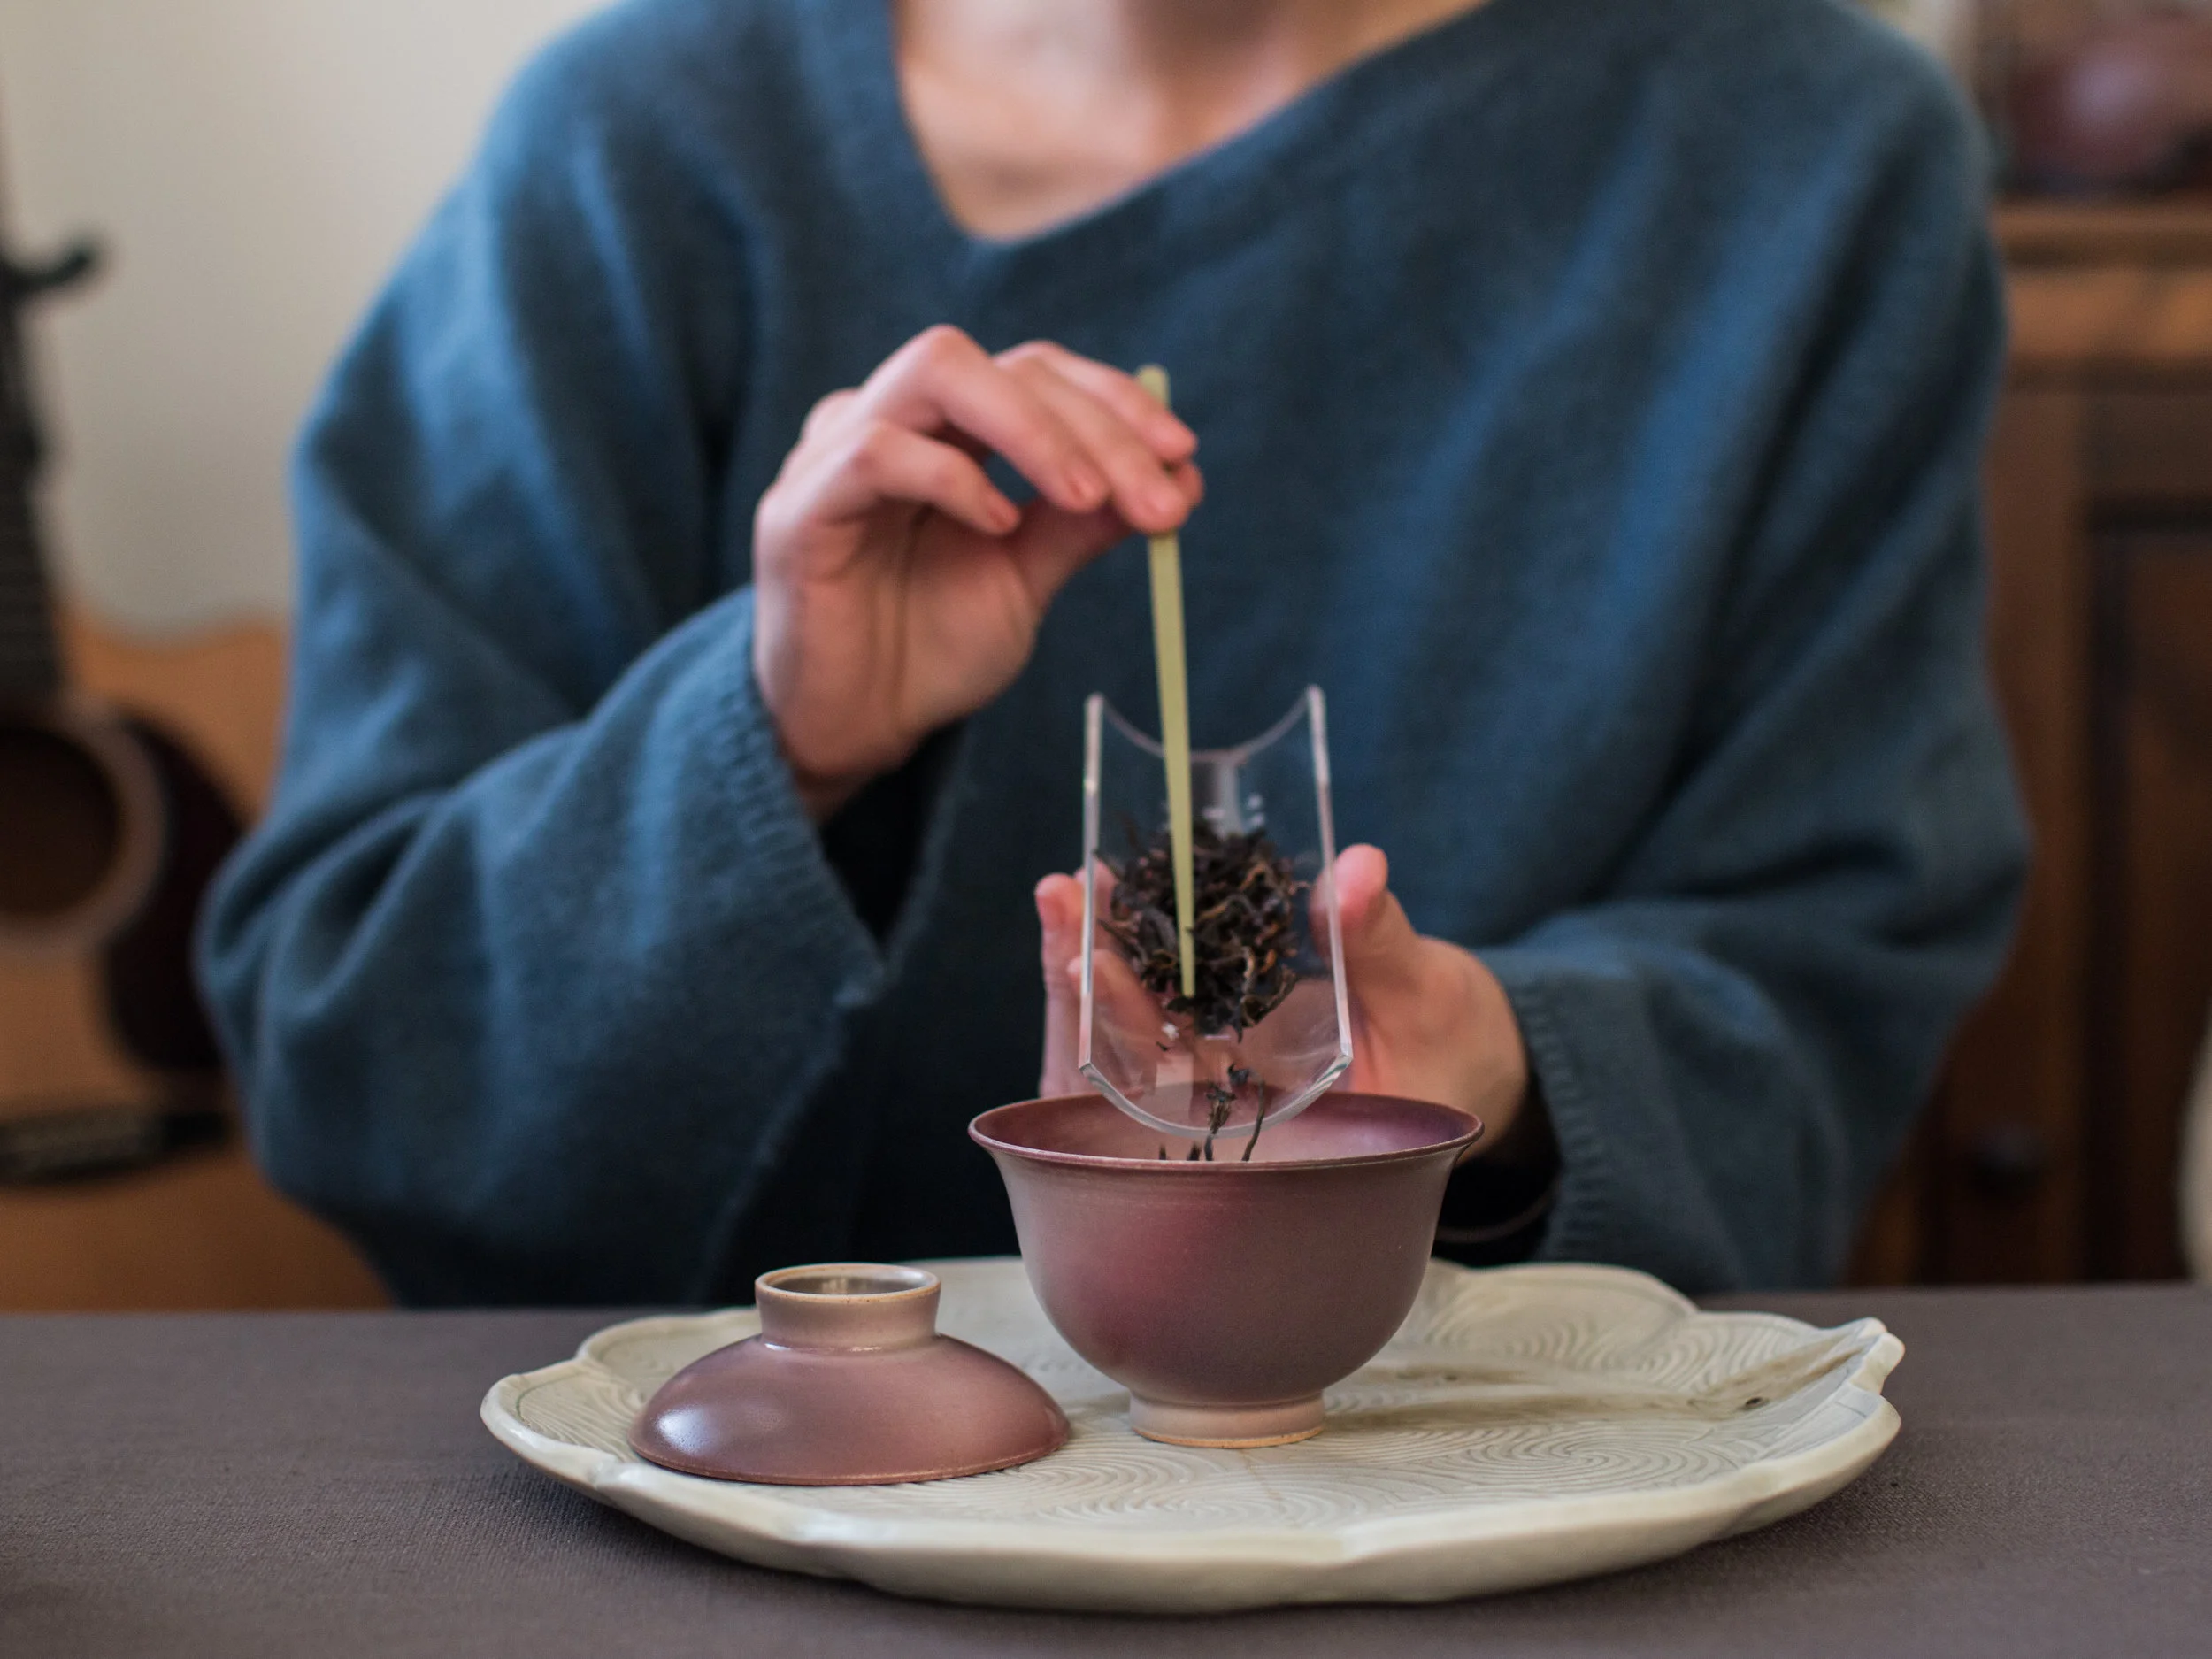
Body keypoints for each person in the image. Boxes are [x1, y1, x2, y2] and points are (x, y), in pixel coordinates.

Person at [200, 0, 2027, 1305]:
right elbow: (359, 1052)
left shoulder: (1804, 163)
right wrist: (773, 736)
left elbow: (1826, 997)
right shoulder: (629, 159)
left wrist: (1498, 1072)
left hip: (1499, 1537)